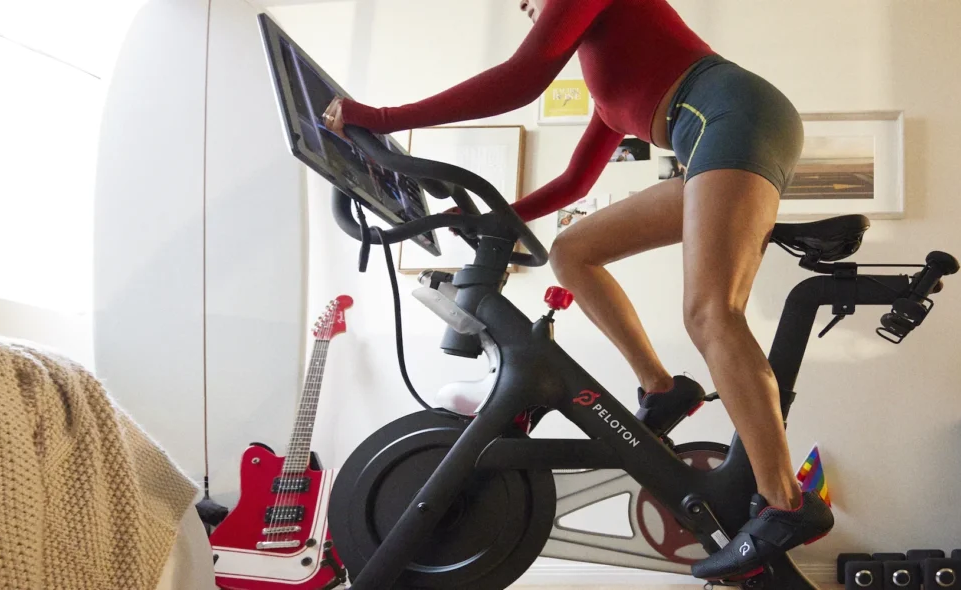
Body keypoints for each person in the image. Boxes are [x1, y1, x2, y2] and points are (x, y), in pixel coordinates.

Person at [321, 0, 831, 581]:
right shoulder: (609, 77)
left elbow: (520, 80)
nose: (522, 5)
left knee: (711, 313)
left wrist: (380, 117)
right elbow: (573, 181)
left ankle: (785, 505)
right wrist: (500, 219)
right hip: (714, 131)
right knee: (572, 251)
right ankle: (661, 390)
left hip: (732, 117)